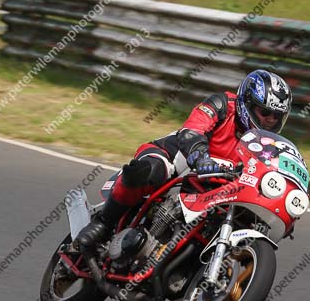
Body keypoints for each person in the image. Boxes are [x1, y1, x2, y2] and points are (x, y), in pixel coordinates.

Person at [77, 70, 294, 249]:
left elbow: (270, 173)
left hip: (215, 187)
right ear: (247, 102)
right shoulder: (222, 105)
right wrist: (200, 157)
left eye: (276, 116)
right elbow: (192, 130)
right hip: (176, 157)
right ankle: (103, 223)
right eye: (265, 112)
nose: (270, 121)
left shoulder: (268, 145)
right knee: (147, 170)